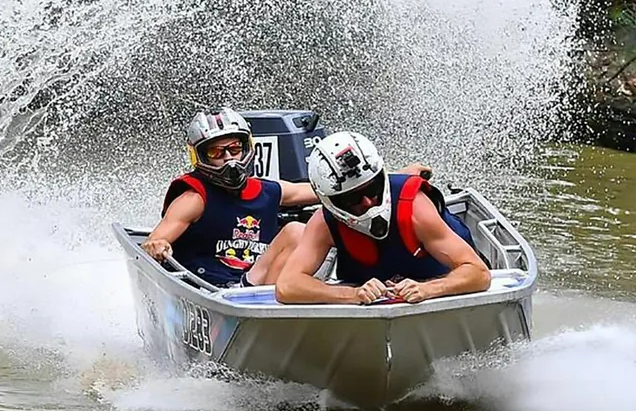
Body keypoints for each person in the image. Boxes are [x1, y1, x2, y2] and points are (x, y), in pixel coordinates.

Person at [140, 108, 431, 289]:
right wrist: (158, 243)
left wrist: (398, 176)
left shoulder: (268, 190)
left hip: (255, 288)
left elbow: (327, 190)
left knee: (299, 231)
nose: (229, 160)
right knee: (294, 231)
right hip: (211, 289)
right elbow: (154, 242)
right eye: (216, 153)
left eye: (235, 149)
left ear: (247, 147)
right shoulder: (194, 198)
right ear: (199, 157)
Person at [274, 131, 491, 305]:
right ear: (331, 201)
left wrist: (427, 289)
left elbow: (478, 273)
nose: (368, 202)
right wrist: (352, 294)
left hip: (442, 290)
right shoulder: (324, 222)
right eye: (353, 198)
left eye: (373, 189)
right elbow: (287, 286)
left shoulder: (415, 208)